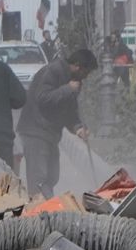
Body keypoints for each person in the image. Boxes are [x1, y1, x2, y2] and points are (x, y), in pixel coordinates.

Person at [16, 47, 98, 198]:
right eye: (86, 72)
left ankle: (48, 207)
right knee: (39, 178)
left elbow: (69, 110)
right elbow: (43, 98)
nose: (85, 77)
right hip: (35, 131)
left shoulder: (74, 81)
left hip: (50, 134)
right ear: (78, 66)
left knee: (52, 176)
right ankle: (40, 212)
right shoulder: (53, 71)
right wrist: (67, 89)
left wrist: (78, 128)